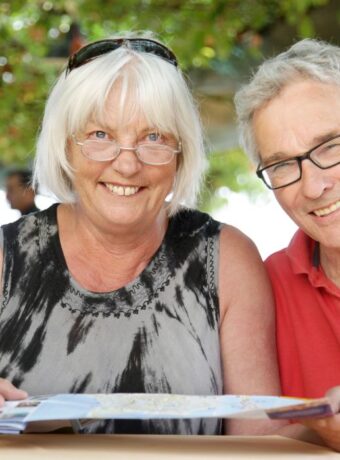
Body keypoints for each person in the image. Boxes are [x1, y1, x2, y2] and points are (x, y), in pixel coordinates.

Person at [0, 34, 281, 435]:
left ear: (180, 154)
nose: (127, 165)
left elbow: (262, 444)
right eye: (100, 135)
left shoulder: (226, 259)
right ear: (65, 146)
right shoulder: (4, 258)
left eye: (154, 138)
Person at [234, 38, 340, 451]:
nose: (314, 185)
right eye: (282, 165)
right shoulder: (266, 285)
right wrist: (318, 429)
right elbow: (251, 439)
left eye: (331, 146)